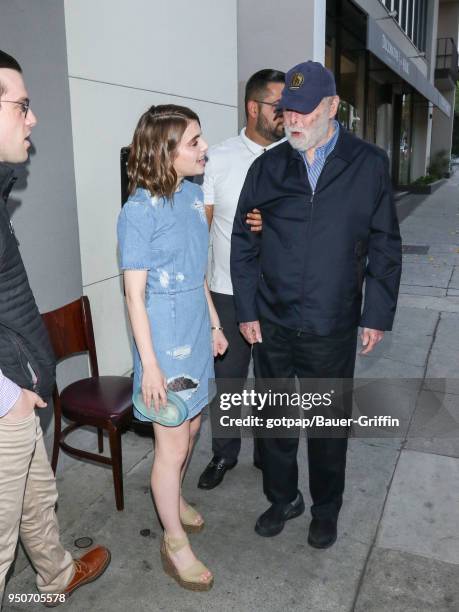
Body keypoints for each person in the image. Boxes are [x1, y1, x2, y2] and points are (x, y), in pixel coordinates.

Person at [231, 61, 402, 549]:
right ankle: (282, 497)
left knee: (328, 429)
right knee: (276, 423)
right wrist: (246, 309)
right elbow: (243, 240)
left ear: (332, 106)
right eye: (287, 112)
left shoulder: (367, 163)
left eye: (305, 111)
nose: (294, 122)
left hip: (332, 321)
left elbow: (385, 244)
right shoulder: (268, 165)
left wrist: (376, 314)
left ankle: (326, 509)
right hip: (274, 320)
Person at [0, 50, 110, 608]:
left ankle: (55, 577)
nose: (32, 118)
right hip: (4, 407)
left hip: (19, 396)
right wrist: (6, 397)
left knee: (36, 498)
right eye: (21, 105)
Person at [117, 104, 228, 591]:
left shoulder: (192, 195)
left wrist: (215, 324)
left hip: (196, 332)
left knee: (194, 423)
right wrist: (151, 366)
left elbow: (196, 269)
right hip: (163, 340)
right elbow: (133, 296)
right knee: (173, 441)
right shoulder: (137, 212)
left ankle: (175, 495)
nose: (205, 149)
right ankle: (174, 540)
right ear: (166, 152)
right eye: (195, 142)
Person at [198, 68, 285, 490]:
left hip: (276, 296)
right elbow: (204, 228)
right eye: (278, 106)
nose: (287, 115)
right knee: (229, 383)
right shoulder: (218, 157)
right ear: (254, 108)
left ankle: (270, 455)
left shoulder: (294, 158)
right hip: (228, 293)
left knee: (272, 381)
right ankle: (224, 454)